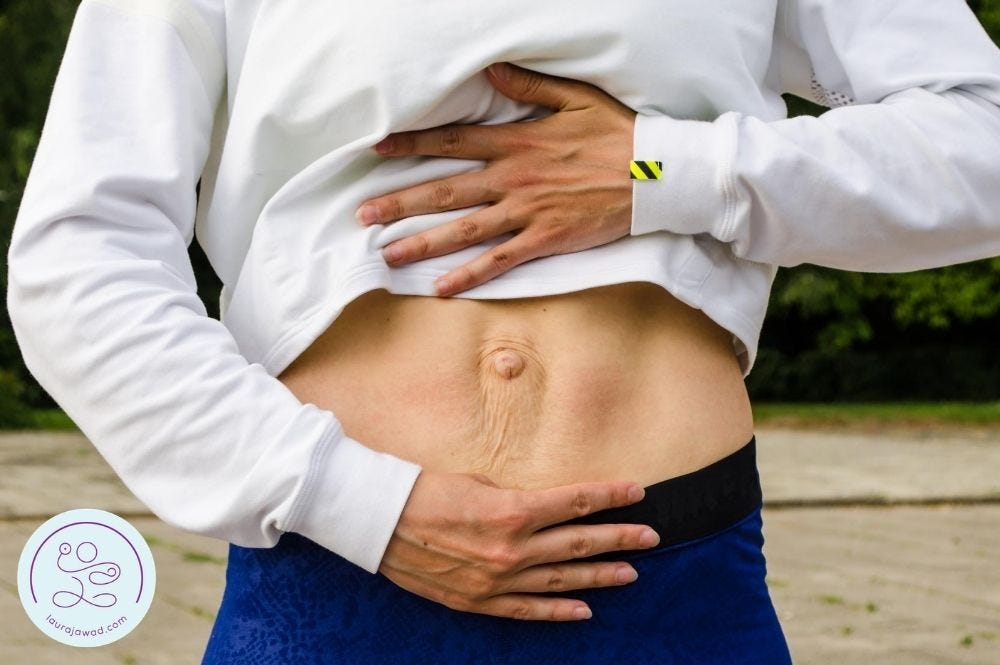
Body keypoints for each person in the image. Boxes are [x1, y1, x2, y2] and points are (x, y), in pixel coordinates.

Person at [6, 0, 1000, 662]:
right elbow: (78, 255)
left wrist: (657, 172)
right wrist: (357, 500)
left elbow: (979, 140)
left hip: (670, 583)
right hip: (338, 573)